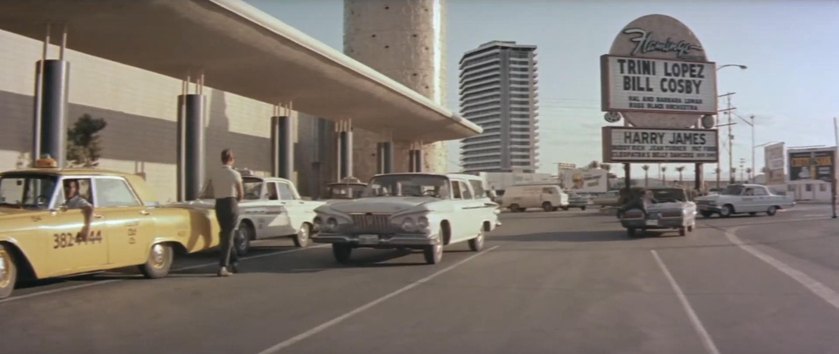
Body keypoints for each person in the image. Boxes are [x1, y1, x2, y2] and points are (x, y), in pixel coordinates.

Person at [210, 149, 244, 277]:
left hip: (219, 204)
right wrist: (236, 202)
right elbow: (241, 194)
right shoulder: (235, 174)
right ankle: (222, 266)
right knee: (229, 235)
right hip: (231, 202)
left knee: (225, 233)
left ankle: (234, 261)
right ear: (231, 159)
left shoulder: (214, 173)